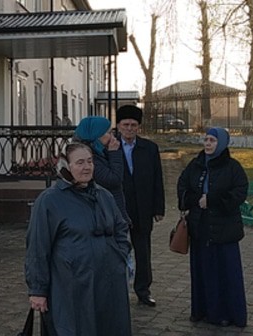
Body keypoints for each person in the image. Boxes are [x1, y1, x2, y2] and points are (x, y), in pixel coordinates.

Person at [25, 142, 132, 336]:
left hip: (109, 283)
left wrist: (119, 256)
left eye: (90, 161)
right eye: (80, 162)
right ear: (66, 166)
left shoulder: (104, 195)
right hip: (71, 284)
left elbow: (120, 228)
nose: (87, 167)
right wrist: (38, 290)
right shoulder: (50, 201)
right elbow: (37, 247)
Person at [177, 127, 248, 327]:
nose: (208, 144)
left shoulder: (233, 167)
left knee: (225, 272)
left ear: (222, 143)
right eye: (206, 140)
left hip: (225, 229)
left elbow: (240, 192)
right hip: (200, 226)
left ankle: (225, 314)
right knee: (202, 271)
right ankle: (201, 310)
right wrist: (195, 200)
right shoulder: (196, 164)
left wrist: (213, 200)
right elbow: (182, 185)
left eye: (212, 140)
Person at [115, 105, 165, 307]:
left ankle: (143, 290)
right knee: (118, 250)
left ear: (139, 127)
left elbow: (157, 179)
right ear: (118, 126)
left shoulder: (149, 148)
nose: (129, 128)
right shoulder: (110, 147)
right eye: (125, 124)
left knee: (143, 251)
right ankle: (117, 290)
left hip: (143, 207)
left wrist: (159, 208)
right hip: (119, 208)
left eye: (133, 125)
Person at [73, 116, 131, 225]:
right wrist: (114, 153)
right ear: (97, 135)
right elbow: (114, 179)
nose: (113, 137)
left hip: (112, 215)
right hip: (104, 218)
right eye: (109, 132)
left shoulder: (100, 152)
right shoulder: (89, 158)